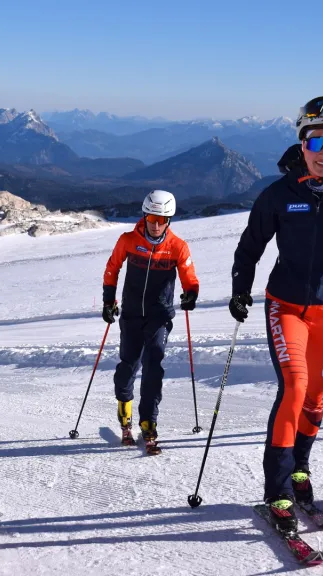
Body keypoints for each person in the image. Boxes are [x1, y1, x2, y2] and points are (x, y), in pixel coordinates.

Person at [229, 96, 323, 533]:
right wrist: (240, 290)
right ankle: (277, 489)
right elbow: (250, 246)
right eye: (317, 141)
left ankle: (300, 471)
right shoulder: (279, 194)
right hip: (287, 307)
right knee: (294, 389)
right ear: (303, 144)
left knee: (316, 398)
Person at [102, 190, 199, 451]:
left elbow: (190, 276)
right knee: (127, 368)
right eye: (152, 219)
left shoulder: (177, 247)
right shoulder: (128, 240)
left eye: (162, 220)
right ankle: (125, 416)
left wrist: (191, 294)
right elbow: (113, 267)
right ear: (144, 217)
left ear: (169, 221)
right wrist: (108, 300)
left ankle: (148, 423)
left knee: (153, 366)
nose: (156, 225)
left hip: (159, 316)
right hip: (132, 315)